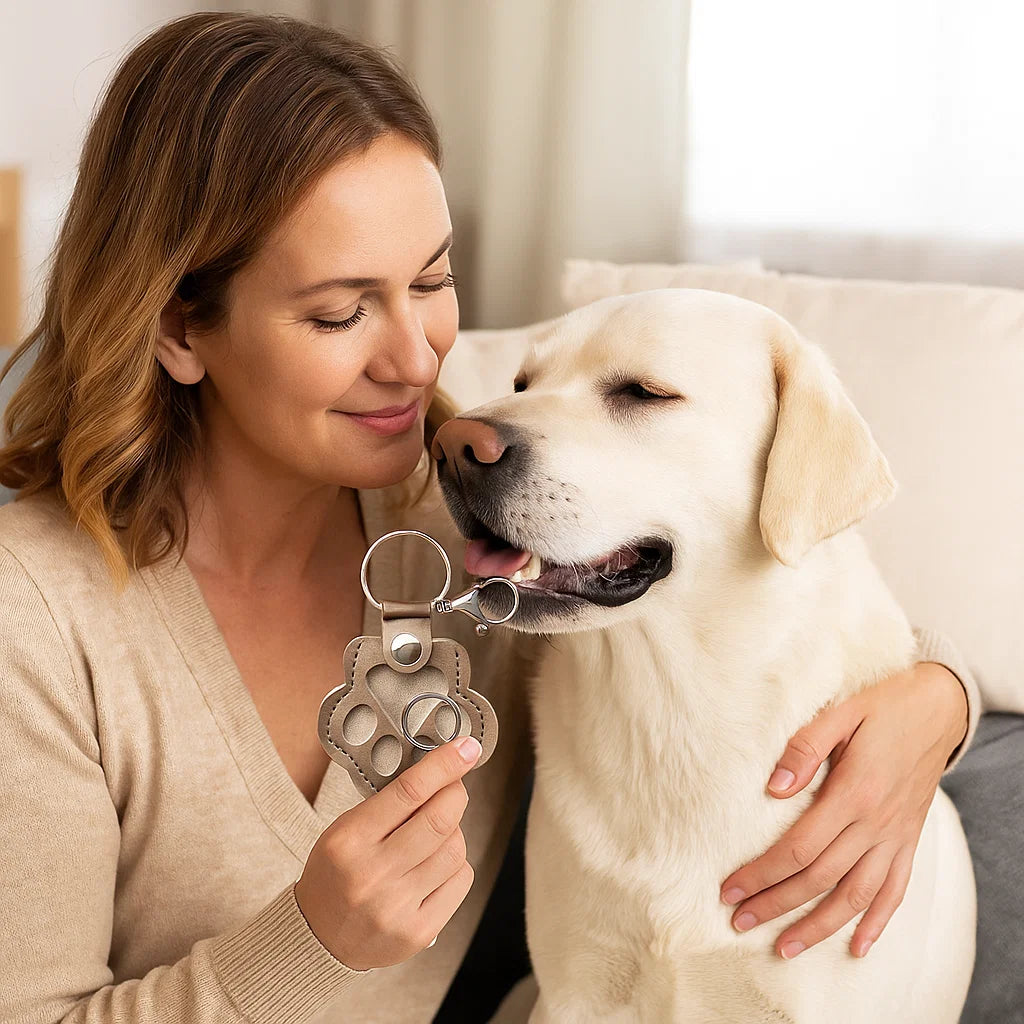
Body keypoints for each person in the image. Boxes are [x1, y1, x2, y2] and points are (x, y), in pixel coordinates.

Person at [0, 12, 1012, 1024]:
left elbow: (762, 579)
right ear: (181, 326)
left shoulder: (474, 531)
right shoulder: (34, 621)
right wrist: (307, 946)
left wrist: (938, 700)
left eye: (433, 280)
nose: (415, 359)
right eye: (338, 312)